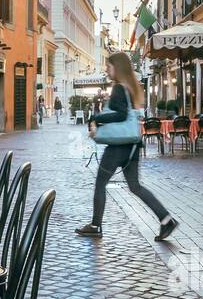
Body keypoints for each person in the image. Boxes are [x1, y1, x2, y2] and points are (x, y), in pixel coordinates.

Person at [76, 51, 179, 242]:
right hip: (132, 145)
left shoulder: (118, 89)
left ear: (118, 67)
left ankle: (95, 225)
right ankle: (166, 219)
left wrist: (96, 118)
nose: (106, 69)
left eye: (109, 66)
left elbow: (120, 115)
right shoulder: (131, 88)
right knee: (135, 186)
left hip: (118, 147)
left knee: (100, 183)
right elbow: (125, 115)